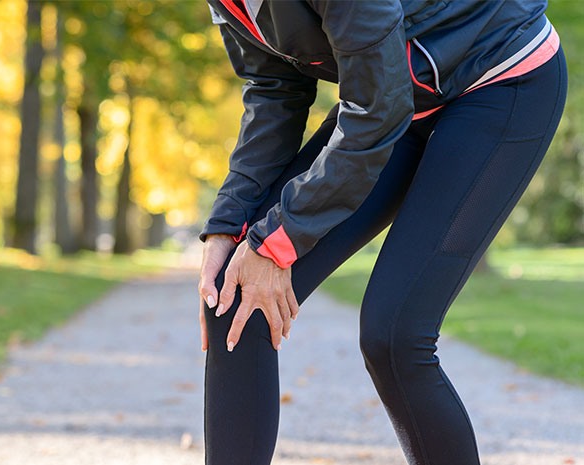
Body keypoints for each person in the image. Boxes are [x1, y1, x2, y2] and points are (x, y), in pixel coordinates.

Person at [196, 1, 567, 464]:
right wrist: (228, 226)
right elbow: (275, 89)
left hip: (497, 78)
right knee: (232, 298)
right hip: (392, 94)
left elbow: (377, 112)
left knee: (394, 335)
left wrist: (276, 243)